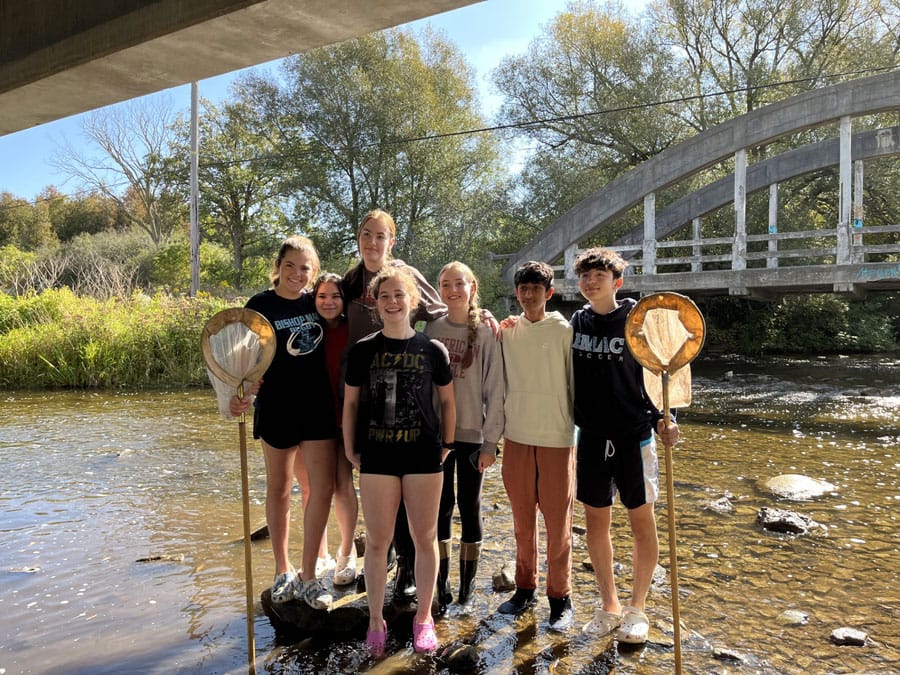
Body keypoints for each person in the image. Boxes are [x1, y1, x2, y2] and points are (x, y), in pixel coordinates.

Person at [343, 266, 456, 656]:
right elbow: (351, 403)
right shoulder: (362, 350)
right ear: (377, 302)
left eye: (400, 295)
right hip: (377, 456)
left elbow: (447, 401)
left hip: (424, 455)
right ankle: (376, 619)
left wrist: (447, 443)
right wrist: (348, 447)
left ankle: (424, 618)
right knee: (377, 542)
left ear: (413, 300)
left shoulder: (432, 349)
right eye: (386, 295)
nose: (393, 302)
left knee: (425, 539)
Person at [570, 247, 679, 644]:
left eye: (599, 277)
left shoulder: (638, 323)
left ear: (616, 283)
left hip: (635, 437)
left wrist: (669, 420)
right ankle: (609, 605)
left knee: (640, 522)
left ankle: (637, 609)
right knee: (596, 524)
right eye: (584, 277)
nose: (590, 282)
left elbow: (664, 374)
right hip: (592, 437)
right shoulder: (576, 323)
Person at [341, 209, 445, 604]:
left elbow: (438, 313)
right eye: (366, 235)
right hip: (360, 394)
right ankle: (366, 562)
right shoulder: (349, 280)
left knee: (413, 500)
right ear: (358, 237)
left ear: (391, 241)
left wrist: (475, 318)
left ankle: (408, 571)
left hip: (404, 394)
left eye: (380, 236)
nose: (372, 243)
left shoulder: (405, 275)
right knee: (374, 490)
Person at [230, 235, 336, 610]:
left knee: (316, 489)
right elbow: (239, 357)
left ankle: (316, 565)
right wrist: (241, 389)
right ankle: (283, 568)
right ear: (278, 265)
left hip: (318, 407)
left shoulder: (318, 301)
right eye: (290, 265)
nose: (297, 273)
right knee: (279, 489)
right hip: (276, 407)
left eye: (305, 267)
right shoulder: (260, 305)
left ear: (314, 271)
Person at [497, 261, 577, 632]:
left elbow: (576, 384)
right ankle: (524, 589)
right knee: (521, 522)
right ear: (517, 293)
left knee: (558, 524)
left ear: (549, 293)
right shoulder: (507, 332)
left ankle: (560, 598)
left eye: (536, 289)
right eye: (523, 289)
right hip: (516, 435)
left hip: (556, 438)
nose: (528, 296)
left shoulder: (564, 331)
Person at [424, 261, 504, 610]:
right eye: (445, 284)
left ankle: (467, 588)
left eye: (459, 283)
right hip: (437, 437)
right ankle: (441, 583)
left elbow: (496, 389)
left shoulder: (487, 331)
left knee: (469, 507)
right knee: (440, 508)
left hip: (472, 435)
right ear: (439, 290)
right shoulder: (432, 328)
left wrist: (491, 443)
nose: (452, 290)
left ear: (472, 287)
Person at [312, 272, 359, 586]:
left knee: (343, 484)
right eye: (322, 296)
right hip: (314, 417)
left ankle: (347, 551)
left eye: (335, 296)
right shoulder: (307, 330)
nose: (328, 302)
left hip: (345, 415)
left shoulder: (352, 329)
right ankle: (319, 554)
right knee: (316, 488)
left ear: (344, 301)